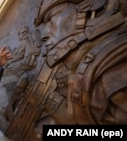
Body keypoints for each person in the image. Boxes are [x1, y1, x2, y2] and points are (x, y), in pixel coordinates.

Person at [33, 0, 127, 133]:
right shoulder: (87, 72)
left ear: (84, 12)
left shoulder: (112, 75)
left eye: (51, 20)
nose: (44, 34)